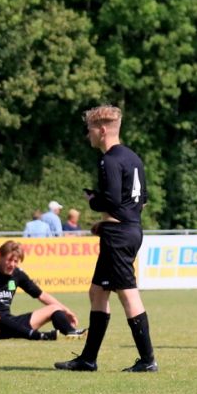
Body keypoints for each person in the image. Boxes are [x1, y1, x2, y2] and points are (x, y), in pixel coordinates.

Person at [55, 105, 158, 373]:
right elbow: (141, 201)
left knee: (128, 294)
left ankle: (148, 360)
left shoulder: (109, 160)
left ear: (102, 130)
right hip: (129, 229)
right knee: (98, 291)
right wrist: (108, 223)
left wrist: (94, 202)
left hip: (119, 234)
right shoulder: (134, 158)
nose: (87, 135)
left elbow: (111, 200)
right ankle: (88, 359)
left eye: (89, 130)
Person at [0, 240, 85, 341]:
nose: (12, 264)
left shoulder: (17, 274)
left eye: (16, 261)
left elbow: (41, 295)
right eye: (9, 260)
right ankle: (37, 336)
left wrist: (66, 310)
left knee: (54, 308)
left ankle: (72, 332)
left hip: (10, 324)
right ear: (0, 256)